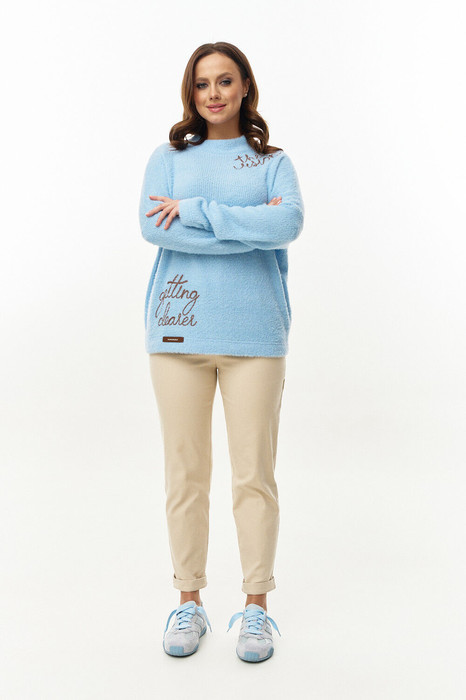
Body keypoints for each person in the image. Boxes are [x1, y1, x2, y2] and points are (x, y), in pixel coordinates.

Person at [138, 41, 304, 663]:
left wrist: (197, 212)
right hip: (176, 332)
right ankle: (190, 600)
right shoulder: (167, 159)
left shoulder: (272, 162)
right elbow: (153, 227)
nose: (214, 93)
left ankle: (256, 606)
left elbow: (288, 224)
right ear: (192, 92)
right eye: (203, 83)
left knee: (253, 476)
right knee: (185, 475)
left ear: (244, 87)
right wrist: (245, 225)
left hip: (255, 336)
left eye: (225, 81)